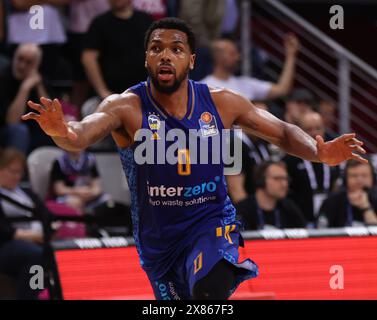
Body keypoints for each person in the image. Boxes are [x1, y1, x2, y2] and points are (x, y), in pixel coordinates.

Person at [22, 18, 367, 300]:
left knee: (208, 292)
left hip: (211, 221)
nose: (165, 56)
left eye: (176, 49)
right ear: (146, 59)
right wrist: (60, 132)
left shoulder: (221, 102)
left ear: (191, 60)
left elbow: (282, 132)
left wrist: (317, 151)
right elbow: (80, 135)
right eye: (156, 49)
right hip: (159, 240)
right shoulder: (125, 106)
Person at [82, 0, 153, 100]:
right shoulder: (99, 23)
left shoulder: (146, 20)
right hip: (110, 95)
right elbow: (88, 58)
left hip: (144, 94)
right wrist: (103, 91)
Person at [0, 148, 46, 299]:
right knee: (37, 255)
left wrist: (50, 230)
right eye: (12, 171)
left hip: (37, 240)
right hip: (7, 244)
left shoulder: (26, 192)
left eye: (19, 172)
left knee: (62, 252)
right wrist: (32, 236)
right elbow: (3, 231)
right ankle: (31, 296)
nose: (16, 176)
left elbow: (47, 215)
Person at [201, 35, 299, 101]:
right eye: (232, 53)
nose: (238, 57)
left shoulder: (245, 83)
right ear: (219, 57)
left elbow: (282, 89)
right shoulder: (204, 87)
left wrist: (291, 55)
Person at [283, 112, 340, 226]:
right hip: (299, 222)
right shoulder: (289, 159)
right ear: (300, 131)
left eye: (318, 128)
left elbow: (336, 186)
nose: (315, 133)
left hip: (329, 221)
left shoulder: (333, 155)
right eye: (309, 129)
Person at [0, 43, 51, 153]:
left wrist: (38, 86)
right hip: (6, 132)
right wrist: (24, 88)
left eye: (29, 62)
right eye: (20, 59)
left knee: (53, 130)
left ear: (37, 65)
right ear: (14, 58)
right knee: (20, 131)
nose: (22, 66)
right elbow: (12, 121)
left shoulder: (41, 80)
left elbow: (50, 115)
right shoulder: (4, 77)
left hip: (34, 133)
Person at [236, 161, 306, 230]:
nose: (284, 184)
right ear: (261, 180)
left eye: (286, 179)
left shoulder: (289, 209)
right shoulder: (242, 210)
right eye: (277, 178)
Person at [317, 159, 377, 228]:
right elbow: (321, 231)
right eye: (354, 176)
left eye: (364, 175)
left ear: (373, 178)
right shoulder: (331, 201)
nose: (359, 180)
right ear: (345, 179)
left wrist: (366, 208)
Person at [49, 150, 109, 214]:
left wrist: (92, 192)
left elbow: (97, 186)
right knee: (76, 203)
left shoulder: (90, 159)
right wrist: (78, 192)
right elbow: (59, 190)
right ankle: (82, 223)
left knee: (106, 200)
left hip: (87, 195)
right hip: (69, 196)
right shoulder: (60, 162)